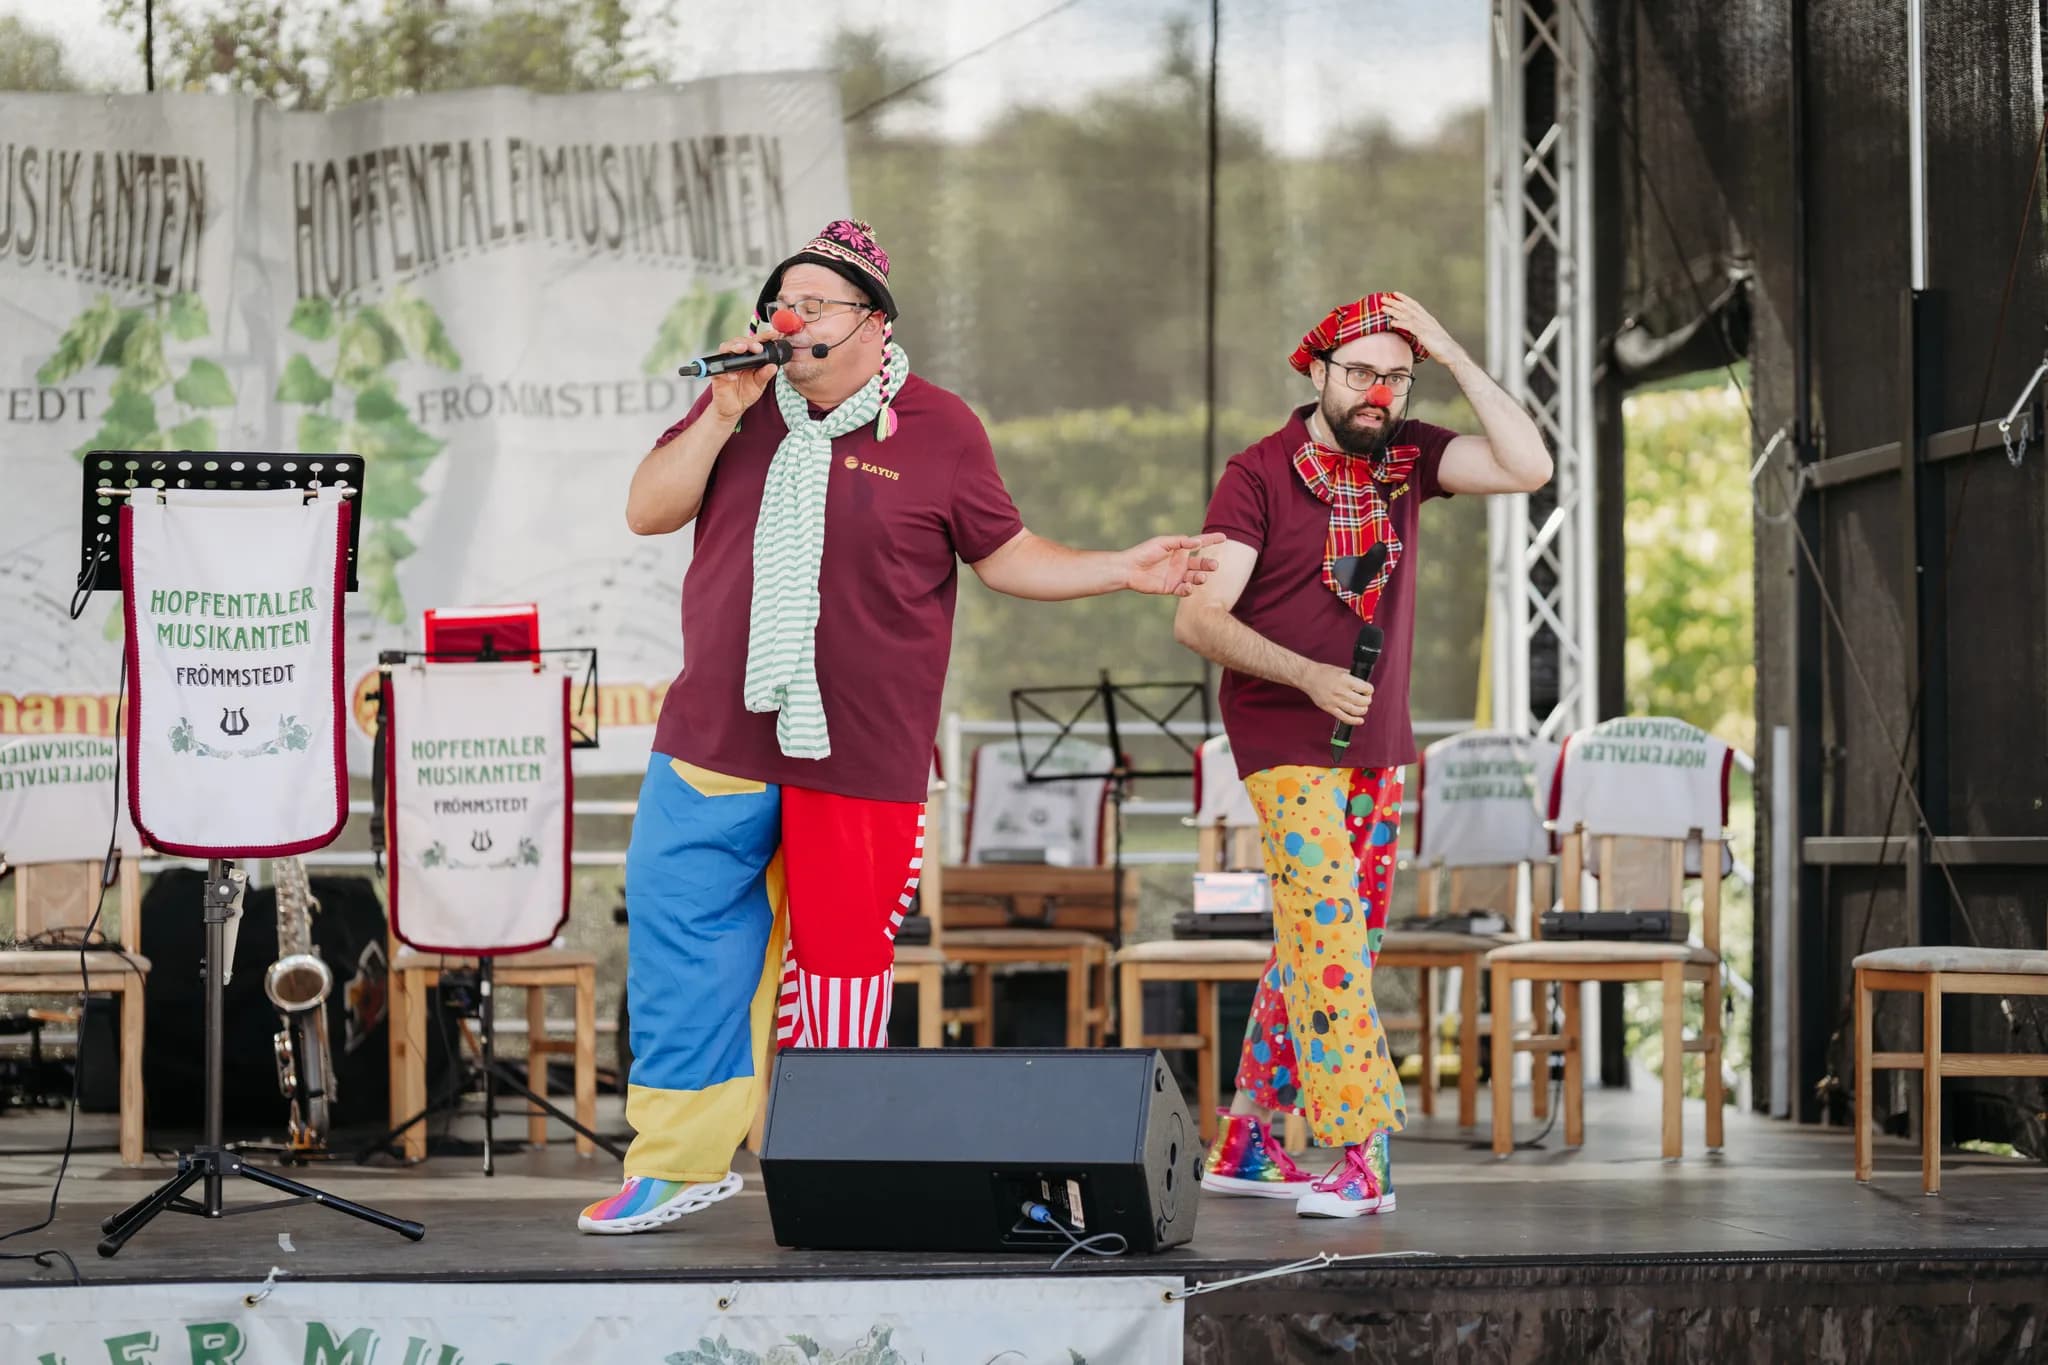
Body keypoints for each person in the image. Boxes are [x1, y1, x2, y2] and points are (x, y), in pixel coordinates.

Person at [580, 219, 1222, 1234]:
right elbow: (647, 512)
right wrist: (717, 413)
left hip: (860, 745)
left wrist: (1119, 568)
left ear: (873, 325)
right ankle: (675, 1160)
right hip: (713, 732)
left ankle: (827, 1156)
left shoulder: (939, 427)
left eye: (814, 303)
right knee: (676, 938)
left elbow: (1003, 555)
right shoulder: (737, 408)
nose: (787, 318)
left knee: (839, 967)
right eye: (777, 301)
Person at [1173, 291, 1551, 1217]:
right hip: (1283, 741)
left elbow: (1528, 464)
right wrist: (1305, 674)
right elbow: (1196, 617)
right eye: (1361, 373)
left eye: (1396, 375)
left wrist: (1455, 348)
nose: (1379, 391)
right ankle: (1361, 1148)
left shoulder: (1410, 455)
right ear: (1317, 372)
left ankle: (1250, 1136)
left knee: (1325, 944)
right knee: (1332, 945)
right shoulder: (1255, 474)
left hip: (1376, 747)